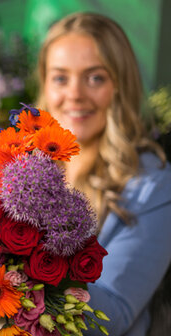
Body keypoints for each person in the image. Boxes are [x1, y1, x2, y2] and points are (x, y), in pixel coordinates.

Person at [36, 12, 171, 336]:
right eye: (60, 78)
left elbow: (115, 312)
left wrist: (20, 267)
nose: (76, 94)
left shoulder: (152, 184)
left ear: (120, 85)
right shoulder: (18, 166)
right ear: (44, 84)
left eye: (95, 77)